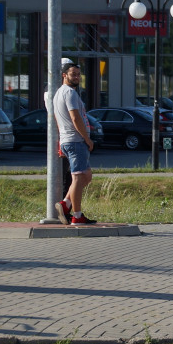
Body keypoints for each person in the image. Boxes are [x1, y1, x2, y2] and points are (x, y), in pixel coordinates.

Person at [53, 62, 96, 225]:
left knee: (87, 176)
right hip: (75, 140)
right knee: (78, 177)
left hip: (69, 140)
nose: (77, 77)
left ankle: (66, 204)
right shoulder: (69, 93)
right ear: (64, 75)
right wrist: (86, 138)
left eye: (79, 74)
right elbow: (75, 118)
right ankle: (77, 217)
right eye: (73, 74)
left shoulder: (59, 93)